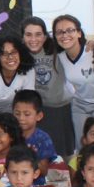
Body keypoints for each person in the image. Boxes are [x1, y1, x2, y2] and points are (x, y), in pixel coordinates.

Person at [52, 14, 94, 148]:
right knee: (82, 146)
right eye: (59, 32)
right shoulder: (60, 57)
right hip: (80, 104)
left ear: (79, 33)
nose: (64, 35)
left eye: (70, 30)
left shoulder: (93, 51)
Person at [22, 17, 75, 159]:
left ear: (45, 37)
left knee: (65, 153)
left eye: (38, 34)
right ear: (22, 37)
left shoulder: (57, 49)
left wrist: (92, 43)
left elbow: (76, 46)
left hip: (61, 107)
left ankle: (69, 180)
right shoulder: (19, 55)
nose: (33, 39)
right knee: (40, 153)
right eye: (28, 34)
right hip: (40, 110)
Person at [0, 33, 35, 121]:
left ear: (21, 53)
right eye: (4, 54)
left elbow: (27, 102)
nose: (10, 57)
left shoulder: (29, 71)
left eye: (14, 52)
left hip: (11, 112)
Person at [13, 90, 56, 184]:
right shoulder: (9, 135)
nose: (21, 118)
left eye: (27, 114)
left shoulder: (43, 139)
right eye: (17, 113)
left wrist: (31, 155)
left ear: (39, 116)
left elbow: (44, 171)